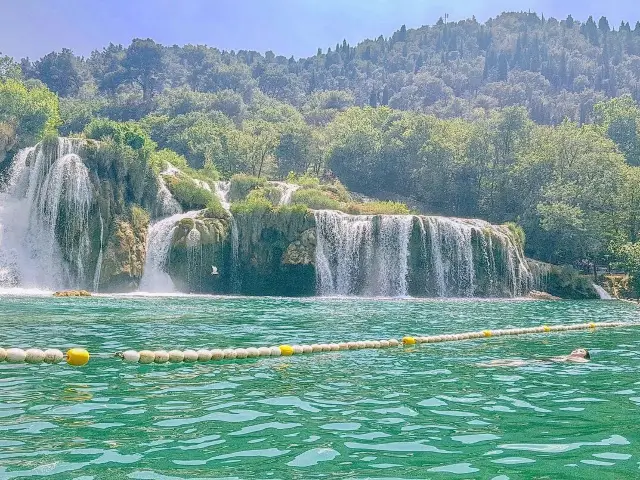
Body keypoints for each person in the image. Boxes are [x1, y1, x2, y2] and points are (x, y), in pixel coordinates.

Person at [477, 348, 590, 367]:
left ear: (584, 355)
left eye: (581, 351)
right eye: (576, 349)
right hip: (544, 362)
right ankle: (490, 363)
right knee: (512, 361)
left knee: (516, 364)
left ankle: (485, 366)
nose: (577, 350)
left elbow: (582, 362)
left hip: (546, 365)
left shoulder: (582, 360)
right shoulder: (565, 356)